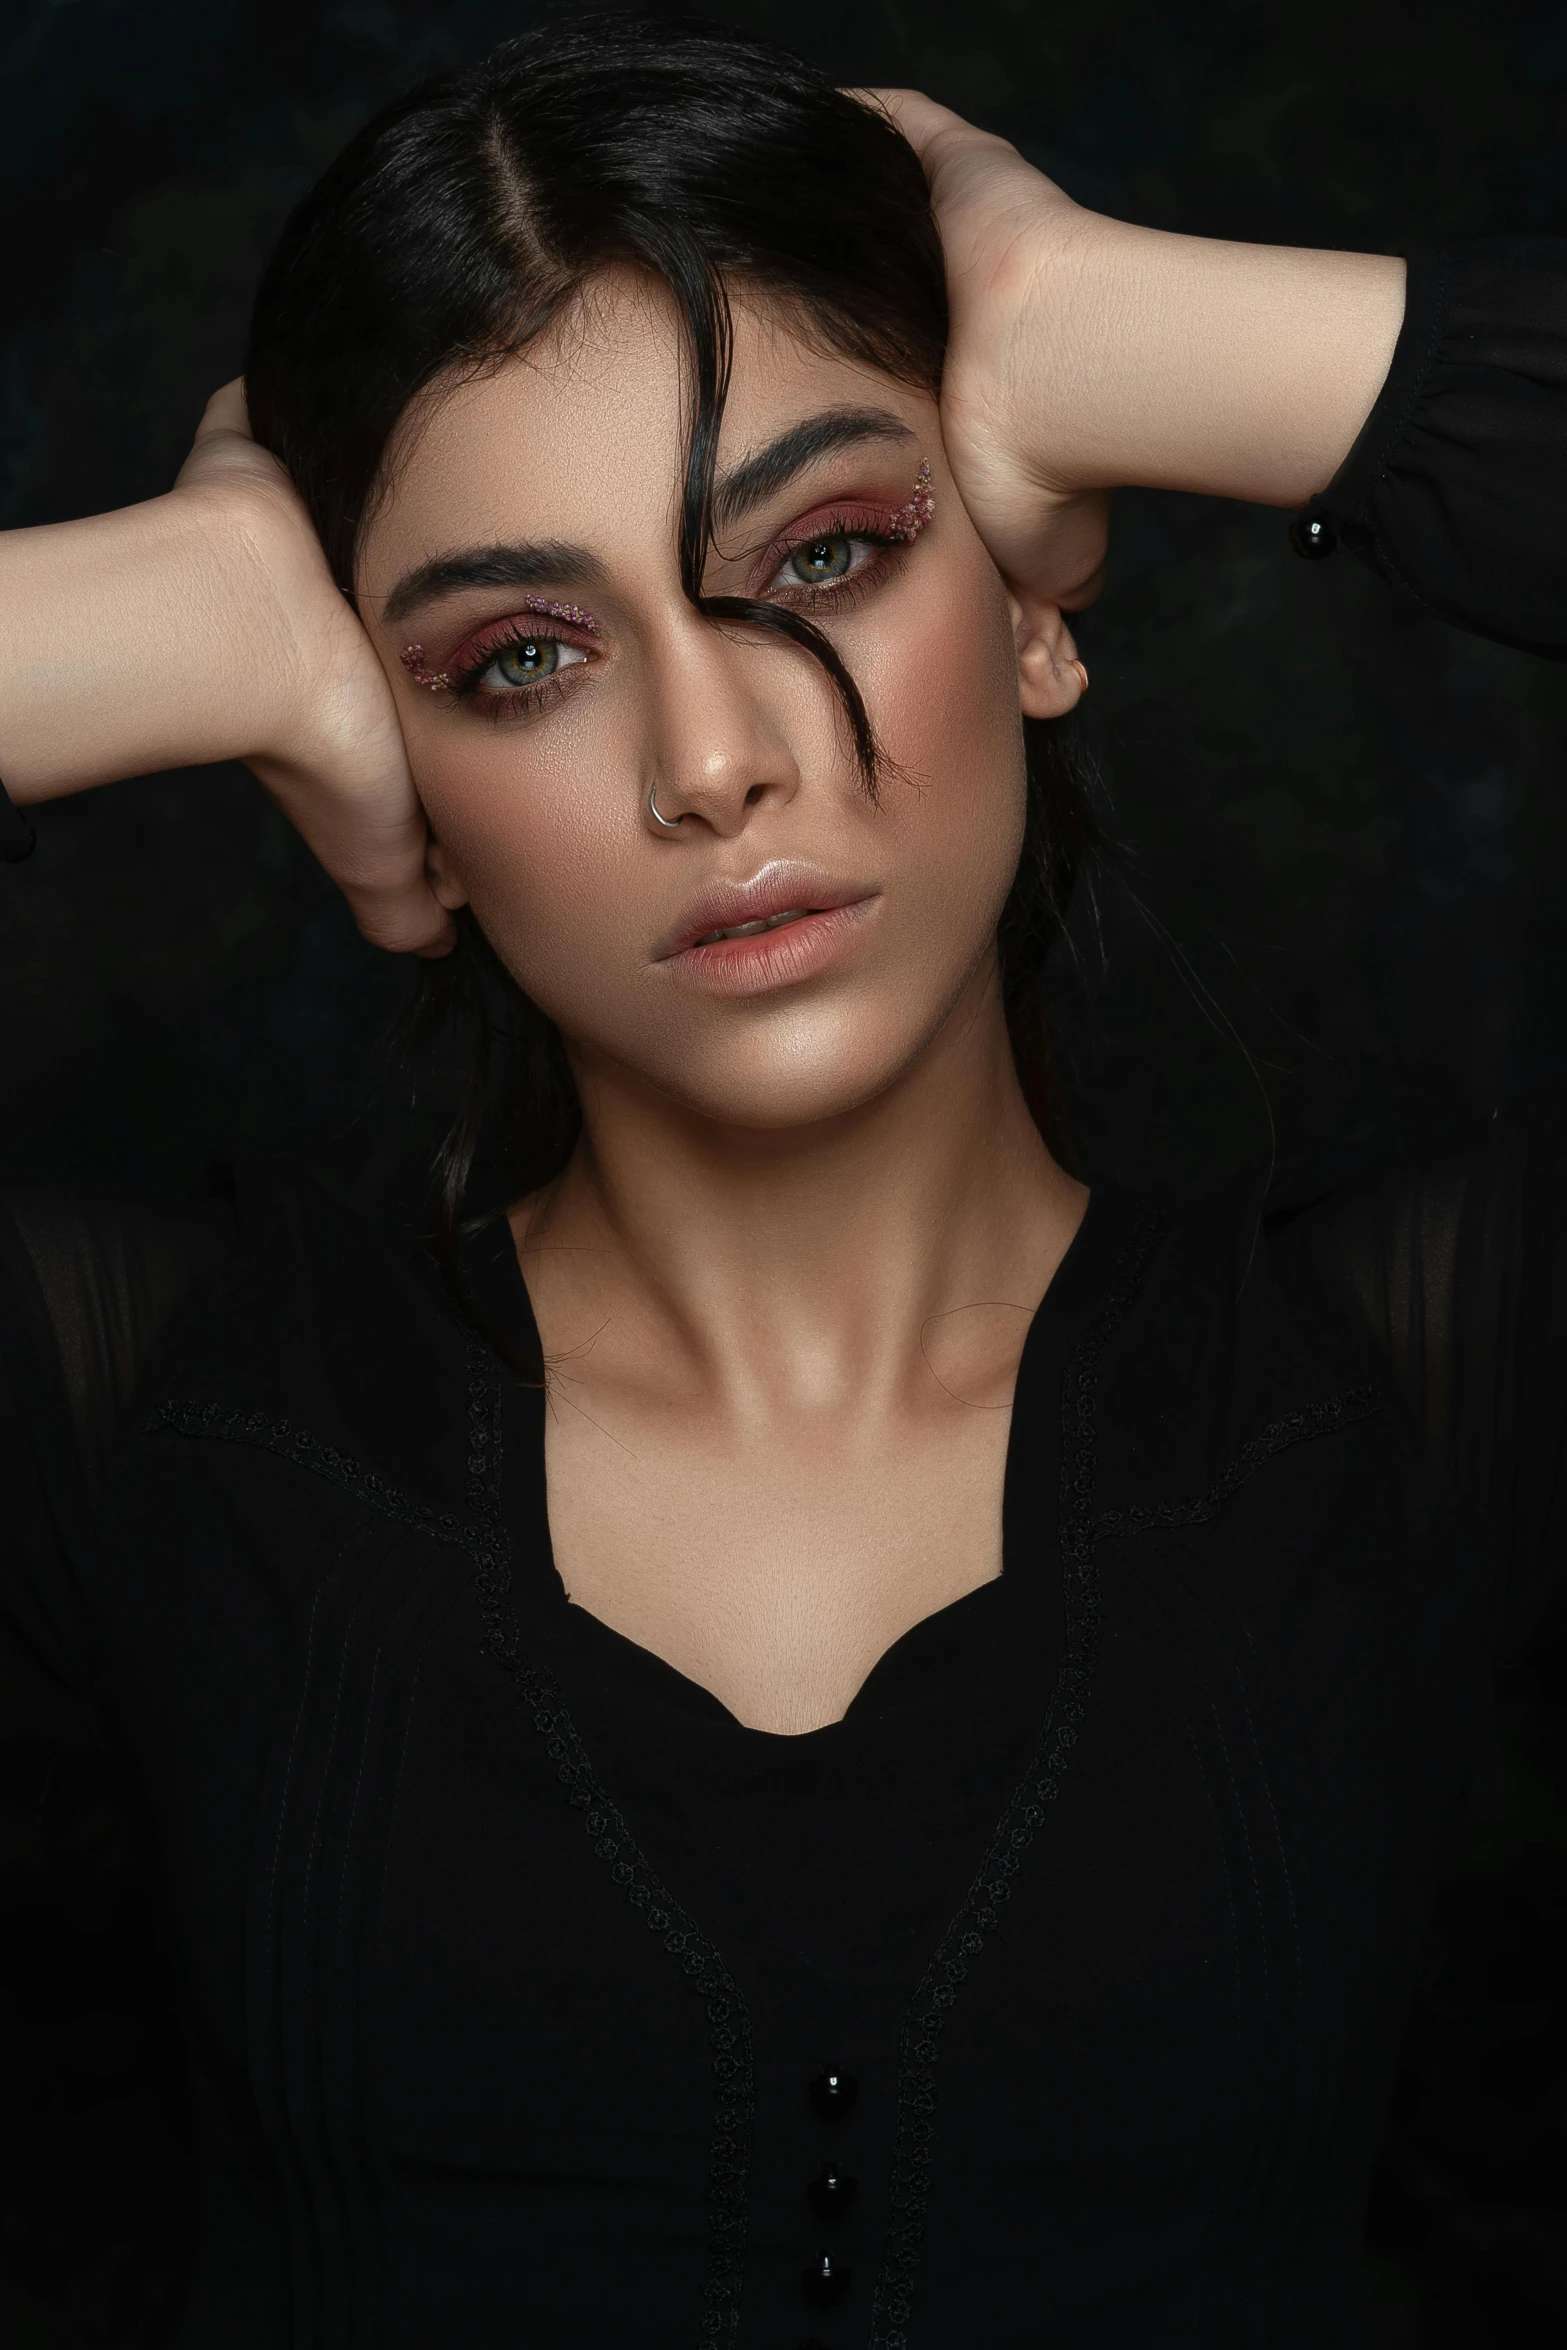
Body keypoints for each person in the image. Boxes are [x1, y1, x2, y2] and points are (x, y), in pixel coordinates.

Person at [0, 14, 1562, 2345]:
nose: (713, 757)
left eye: (826, 549)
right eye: (522, 654)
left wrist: (1130, 329)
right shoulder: (139, 1416)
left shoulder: (1428, 1379)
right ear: (382, 736)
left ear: (1033, 601)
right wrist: (155, 617)